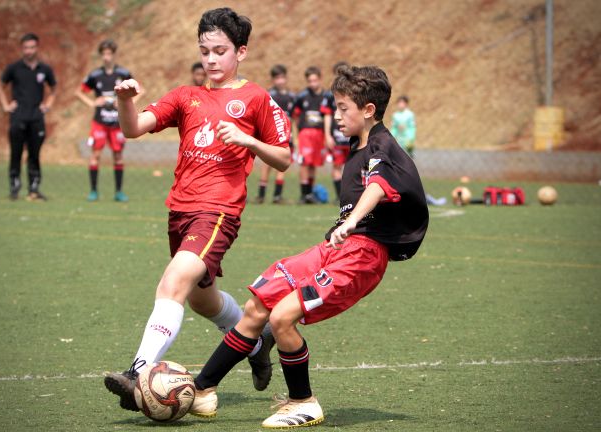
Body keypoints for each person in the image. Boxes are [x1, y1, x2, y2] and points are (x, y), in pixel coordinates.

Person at [188, 65, 429, 428]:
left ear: (368, 110)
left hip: (363, 256)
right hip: (336, 247)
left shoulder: (383, 146)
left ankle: (304, 402)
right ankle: (202, 391)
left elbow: (378, 186)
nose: (336, 115)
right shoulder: (358, 143)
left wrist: (349, 223)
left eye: (344, 107)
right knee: (258, 305)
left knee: (283, 316)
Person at [103, 7, 292, 413]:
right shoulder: (186, 96)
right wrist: (124, 102)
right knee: (202, 302)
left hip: (218, 212)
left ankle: (138, 372)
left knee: (172, 282)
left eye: (220, 51)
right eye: (205, 51)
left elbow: (283, 158)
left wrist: (249, 141)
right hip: (180, 211)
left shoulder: (256, 98)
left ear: (240, 52)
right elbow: (133, 128)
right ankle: (257, 342)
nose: (211, 59)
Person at [75, 39, 142, 202]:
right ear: (101, 56)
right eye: (104, 54)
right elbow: (79, 92)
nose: (106, 57)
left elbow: (140, 91)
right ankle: (93, 191)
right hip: (99, 122)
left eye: (109, 53)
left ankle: (118, 192)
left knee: (118, 156)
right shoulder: (95, 75)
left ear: (114, 55)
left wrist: (126, 105)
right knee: (95, 155)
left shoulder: (123, 74)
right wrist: (92, 103)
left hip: (117, 123)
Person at [0, 33, 56, 201]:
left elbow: (53, 90)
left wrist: (48, 105)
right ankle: (14, 188)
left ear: (37, 48)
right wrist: (6, 106)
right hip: (18, 117)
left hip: (36, 117)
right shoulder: (14, 68)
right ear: (22, 49)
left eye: (32, 47)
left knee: (34, 154)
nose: (28, 51)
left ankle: (34, 189)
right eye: (25, 48)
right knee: (15, 153)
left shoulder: (44, 69)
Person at [254, 64, 296, 204]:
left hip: (287, 135)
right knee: (267, 165)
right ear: (273, 80)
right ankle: (261, 195)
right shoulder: (268, 95)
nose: (280, 81)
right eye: (277, 78)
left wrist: (295, 135)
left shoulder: (291, 96)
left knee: (282, 165)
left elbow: (294, 118)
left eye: (282, 77)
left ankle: (277, 196)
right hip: (271, 135)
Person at [293, 66, 327, 204]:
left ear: (320, 79)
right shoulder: (302, 96)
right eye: (310, 81)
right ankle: (304, 194)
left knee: (314, 164)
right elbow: (295, 115)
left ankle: (311, 193)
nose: (312, 83)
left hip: (319, 134)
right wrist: (297, 133)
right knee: (304, 163)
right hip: (305, 133)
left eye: (315, 80)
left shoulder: (327, 96)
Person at [321, 61, 351, 204]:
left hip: (351, 137)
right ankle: (340, 197)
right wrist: (327, 135)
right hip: (337, 136)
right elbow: (327, 115)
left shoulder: (354, 93)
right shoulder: (330, 94)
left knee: (354, 167)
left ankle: (353, 196)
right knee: (337, 166)